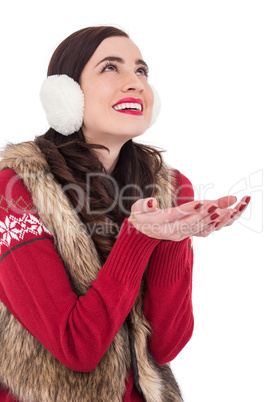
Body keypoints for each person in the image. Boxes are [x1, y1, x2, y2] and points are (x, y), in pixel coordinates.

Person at [0, 26, 250, 402]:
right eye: (110, 68)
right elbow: (77, 348)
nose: (135, 83)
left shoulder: (170, 188)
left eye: (141, 71)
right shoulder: (15, 188)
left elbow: (164, 347)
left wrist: (172, 236)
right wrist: (138, 239)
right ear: (65, 95)